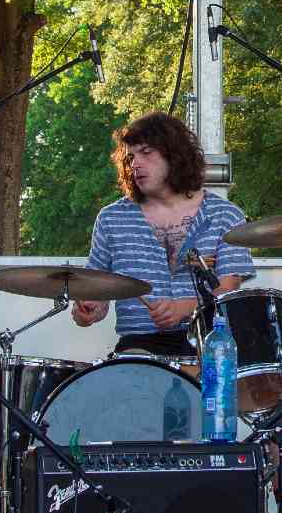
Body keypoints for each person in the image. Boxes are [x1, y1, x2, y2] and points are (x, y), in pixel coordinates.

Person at [72, 111, 254, 358]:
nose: (135, 164)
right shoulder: (111, 218)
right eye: (131, 157)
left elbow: (229, 291)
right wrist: (90, 308)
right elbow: (97, 289)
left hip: (209, 340)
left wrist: (185, 308)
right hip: (139, 346)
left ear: (175, 155)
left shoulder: (225, 215)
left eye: (146, 153)